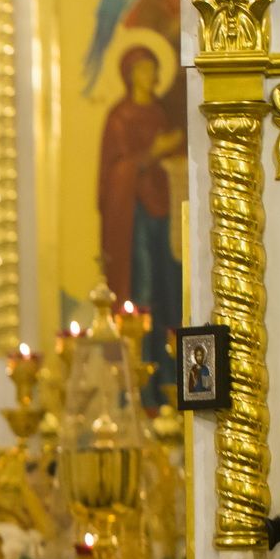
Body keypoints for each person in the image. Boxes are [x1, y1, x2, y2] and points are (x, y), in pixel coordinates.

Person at [97, 45, 184, 407]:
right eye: (142, 70)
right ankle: (141, 387)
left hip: (162, 210)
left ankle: (170, 381)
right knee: (143, 289)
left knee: (168, 290)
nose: (148, 76)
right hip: (134, 218)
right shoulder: (120, 117)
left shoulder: (159, 113)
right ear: (130, 75)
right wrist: (153, 152)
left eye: (152, 68)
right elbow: (115, 171)